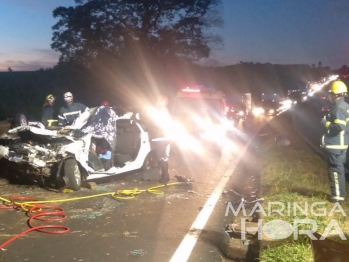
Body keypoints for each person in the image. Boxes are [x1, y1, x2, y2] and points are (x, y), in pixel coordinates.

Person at [320, 80, 349, 204]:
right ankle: (338, 196)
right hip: (340, 145)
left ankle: (337, 198)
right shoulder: (344, 106)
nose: (329, 97)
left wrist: (324, 122)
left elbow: (339, 127)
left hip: (336, 145)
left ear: (335, 95)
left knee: (335, 172)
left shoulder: (339, 108)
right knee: (338, 170)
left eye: (330, 94)